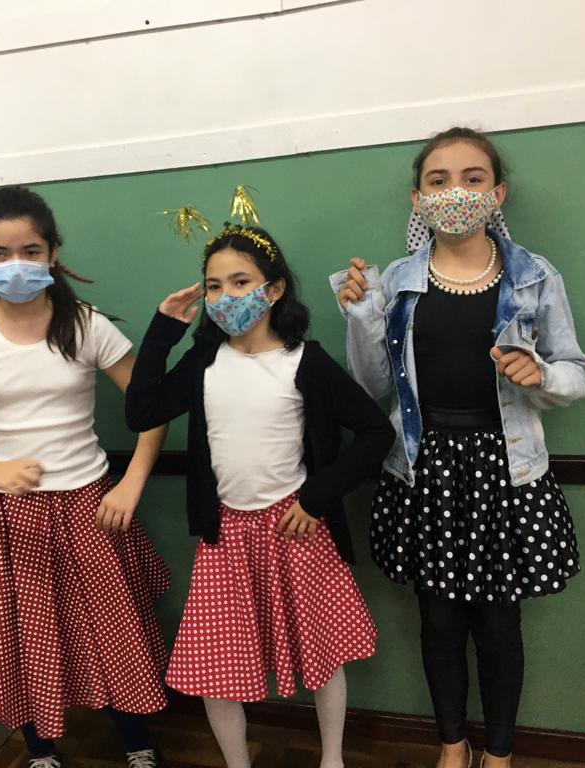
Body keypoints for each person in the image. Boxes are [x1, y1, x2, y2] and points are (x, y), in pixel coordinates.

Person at [333, 127, 585, 768]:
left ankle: (498, 753)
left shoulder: (534, 276)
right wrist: (360, 317)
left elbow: (574, 372)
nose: (456, 192)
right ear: (417, 199)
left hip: (506, 468)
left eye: (473, 179)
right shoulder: (396, 281)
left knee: (499, 625)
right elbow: (371, 386)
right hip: (424, 468)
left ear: (497, 193)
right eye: (438, 180)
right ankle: (453, 745)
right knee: (439, 621)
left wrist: (541, 375)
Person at [0, 185, 169, 768]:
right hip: (9, 515)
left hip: (90, 507)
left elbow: (153, 410)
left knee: (116, 633)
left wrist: (132, 482)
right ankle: (40, 751)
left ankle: (139, 745)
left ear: (53, 253)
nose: (16, 265)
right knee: (24, 639)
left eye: (30, 251)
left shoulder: (86, 325)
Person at [126, 224, 394, 768]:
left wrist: (316, 498)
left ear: (273, 290)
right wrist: (162, 332)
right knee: (214, 667)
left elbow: (375, 433)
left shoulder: (304, 361)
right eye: (214, 286)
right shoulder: (204, 360)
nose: (226, 296)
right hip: (225, 535)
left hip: (296, 529)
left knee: (322, 653)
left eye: (240, 282)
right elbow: (142, 412)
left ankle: (333, 759)